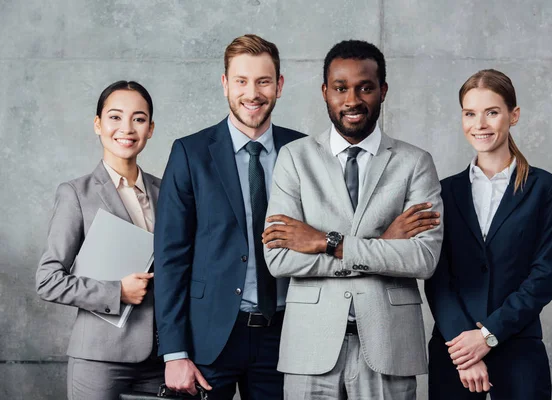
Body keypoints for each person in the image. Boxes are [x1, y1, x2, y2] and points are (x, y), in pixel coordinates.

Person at [261, 40, 443, 400]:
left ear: (383, 91)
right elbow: (279, 258)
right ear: (325, 92)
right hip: (310, 347)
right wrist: (382, 247)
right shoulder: (294, 159)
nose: (352, 100)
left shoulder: (415, 162)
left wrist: (330, 243)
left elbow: (423, 258)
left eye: (365, 87)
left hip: (389, 346)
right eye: (341, 88)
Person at [153, 34, 304, 399]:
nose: (252, 93)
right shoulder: (190, 153)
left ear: (279, 85)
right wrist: (174, 352)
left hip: (285, 334)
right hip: (210, 337)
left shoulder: (303, 151)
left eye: (263, 81)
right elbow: (170, 257)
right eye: (241, 81)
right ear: (225, 85)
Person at [425, 69, 552, 399]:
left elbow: (543, 275)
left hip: (518, 347)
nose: (480, 124)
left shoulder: (545, 188)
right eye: (470, 113)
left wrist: (487, 335)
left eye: (492, 112)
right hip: (454, 350)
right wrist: (465, 348)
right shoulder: (443, 191)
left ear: (513, 116)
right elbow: (437, 275)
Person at [36, 80, 162, 400]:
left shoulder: (167, 192)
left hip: (162, 359)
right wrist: (117, 292)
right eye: (115, 117)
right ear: (98, 125)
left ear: (150, 129)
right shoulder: (76, 194)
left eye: (139, 118)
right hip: (99, 359)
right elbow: (48, 280)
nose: (127, 128)